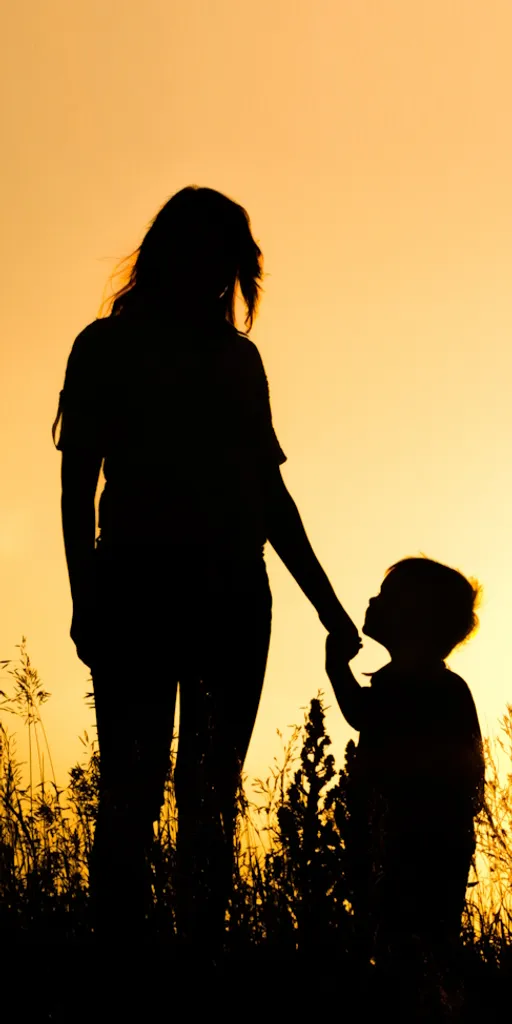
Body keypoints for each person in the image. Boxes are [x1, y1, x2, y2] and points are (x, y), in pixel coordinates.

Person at [52, 185, 360, 953]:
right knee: (132, 789)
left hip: (230, 598)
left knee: (211, 795)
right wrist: (84, 597)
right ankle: (121, 956)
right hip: (136, 590)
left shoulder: (238, 360)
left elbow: (268, 494)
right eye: (200, 252)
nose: (212, 271)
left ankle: (198, 955)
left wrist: (327, 604)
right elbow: (75, 485)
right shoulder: (105, 348)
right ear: (168, 254)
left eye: (222, 257)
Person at [325, 556, 485, 1013]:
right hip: (439, 840)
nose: (374, 600)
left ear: (415, 619)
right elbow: (473, 770)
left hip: (403, 838)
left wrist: (336, 667)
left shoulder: (405, 684)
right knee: (427, 947)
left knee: (393, 943)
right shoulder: (449, 687)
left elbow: (360, 713)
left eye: (388, 597)